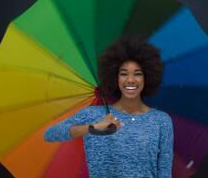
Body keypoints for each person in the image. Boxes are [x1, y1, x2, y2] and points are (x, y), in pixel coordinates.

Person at [44, 37, 174, 177]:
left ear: (147, 77)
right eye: (123, 74)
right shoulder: (92, 115)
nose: (130, 79)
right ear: (115, 77)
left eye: (137, 74)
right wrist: (92, 128)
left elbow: (165, 172)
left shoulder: (161, 121)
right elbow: (50, 134)